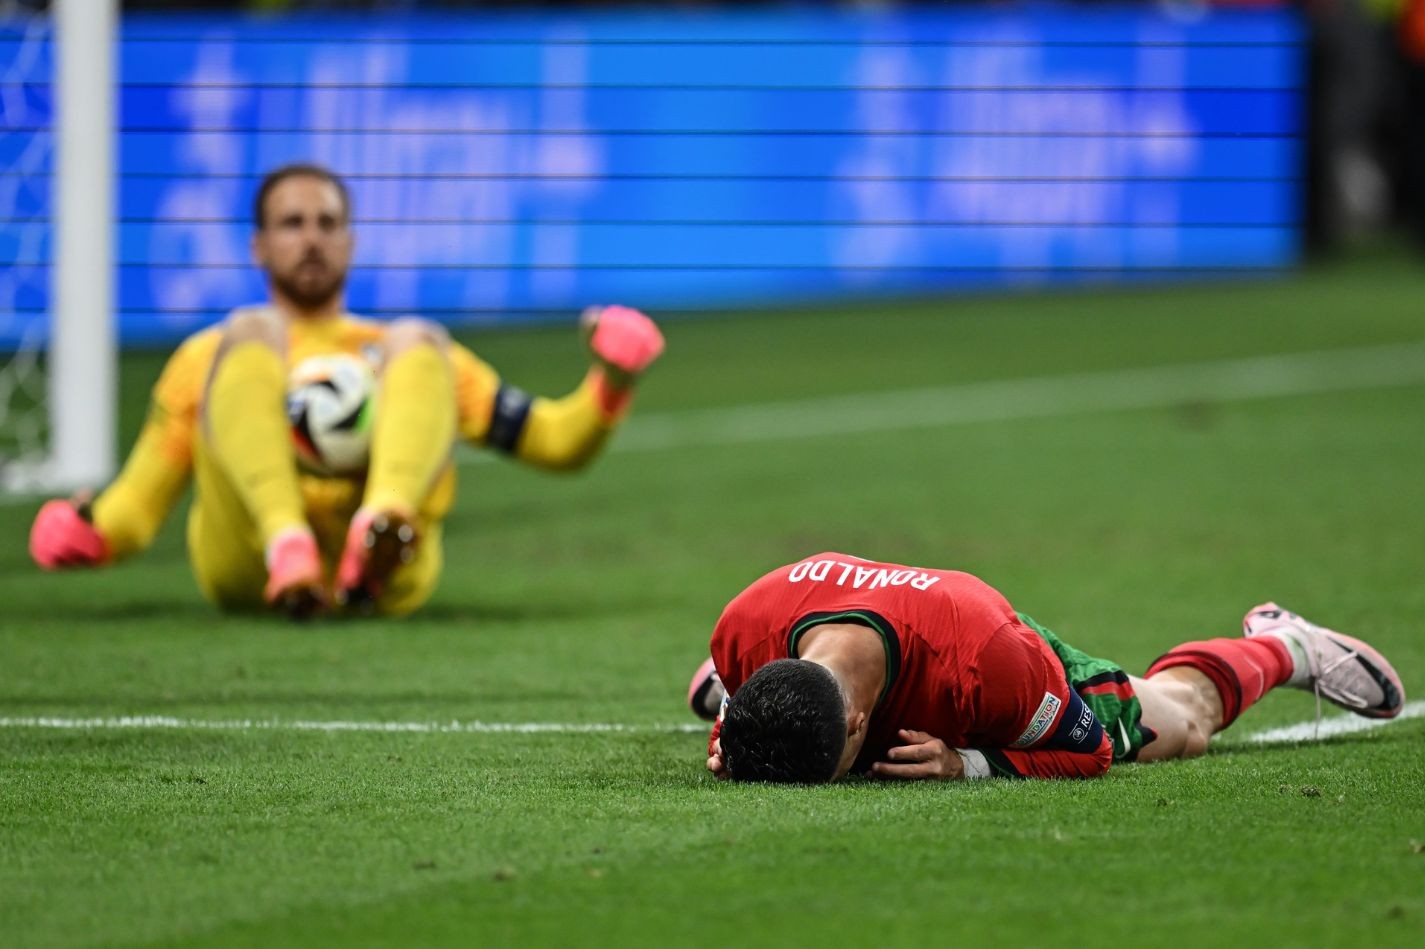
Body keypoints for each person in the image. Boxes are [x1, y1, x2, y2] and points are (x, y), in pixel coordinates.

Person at [28, 163, 665, 617]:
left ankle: (380, 525)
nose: (311, 238)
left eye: (327, 223)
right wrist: (90, 535)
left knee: (418, 337)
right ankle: (286, 541)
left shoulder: (409, 357)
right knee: (248, 332)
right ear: (259, 246)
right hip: (245, 562)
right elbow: (140, 503)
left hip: (388, 580)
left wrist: (612, 382)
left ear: (350, 243)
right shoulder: (211, 359)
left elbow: (554, 441)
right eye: (292, 223)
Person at [687, 551, 1405, 782]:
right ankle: (730, 697)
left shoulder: (991, 665)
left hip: (994, 644)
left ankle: (1286, 645)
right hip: (831, 626)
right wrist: (736, 736)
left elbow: (1089, 751)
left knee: (1179, 727)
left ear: (855, 723)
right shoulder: (742, 628)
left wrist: (968, 763)